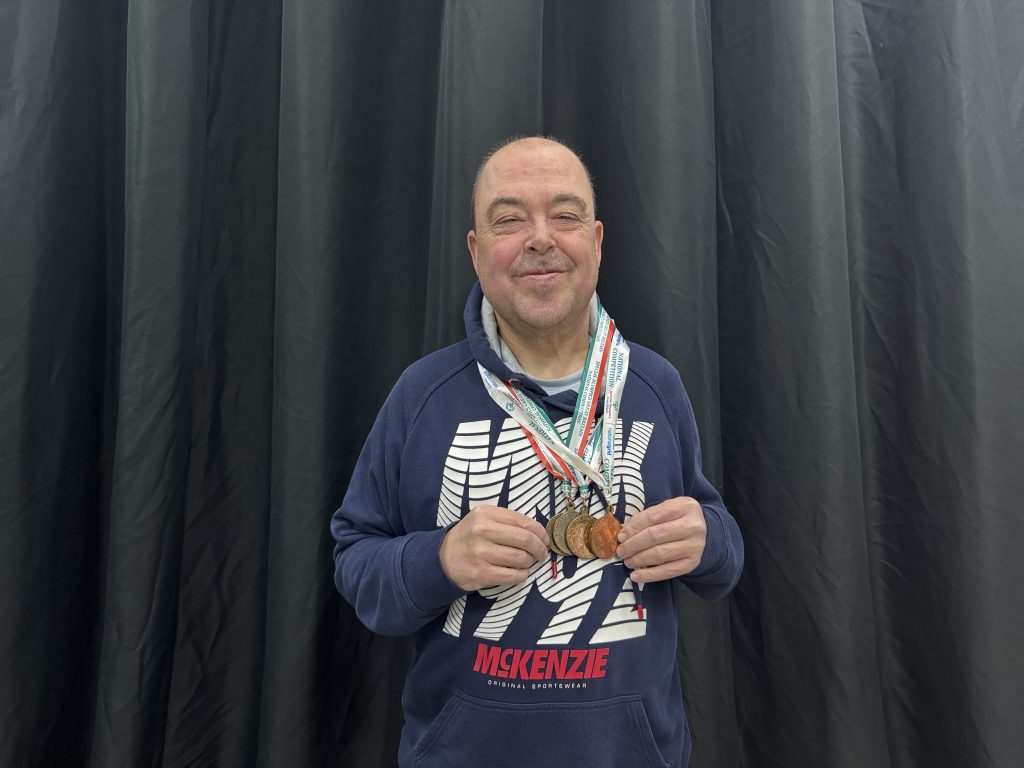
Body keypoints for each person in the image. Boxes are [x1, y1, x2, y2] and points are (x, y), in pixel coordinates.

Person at [331, 136, 743, 768]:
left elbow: (722, 560)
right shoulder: (422, 395)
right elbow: (357, 568)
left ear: (597, 242)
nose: (540, 238)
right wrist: (438, 558)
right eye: (509, 219)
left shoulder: (656, 386)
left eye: (565, 215)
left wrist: (708, 542)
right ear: (476, 251)